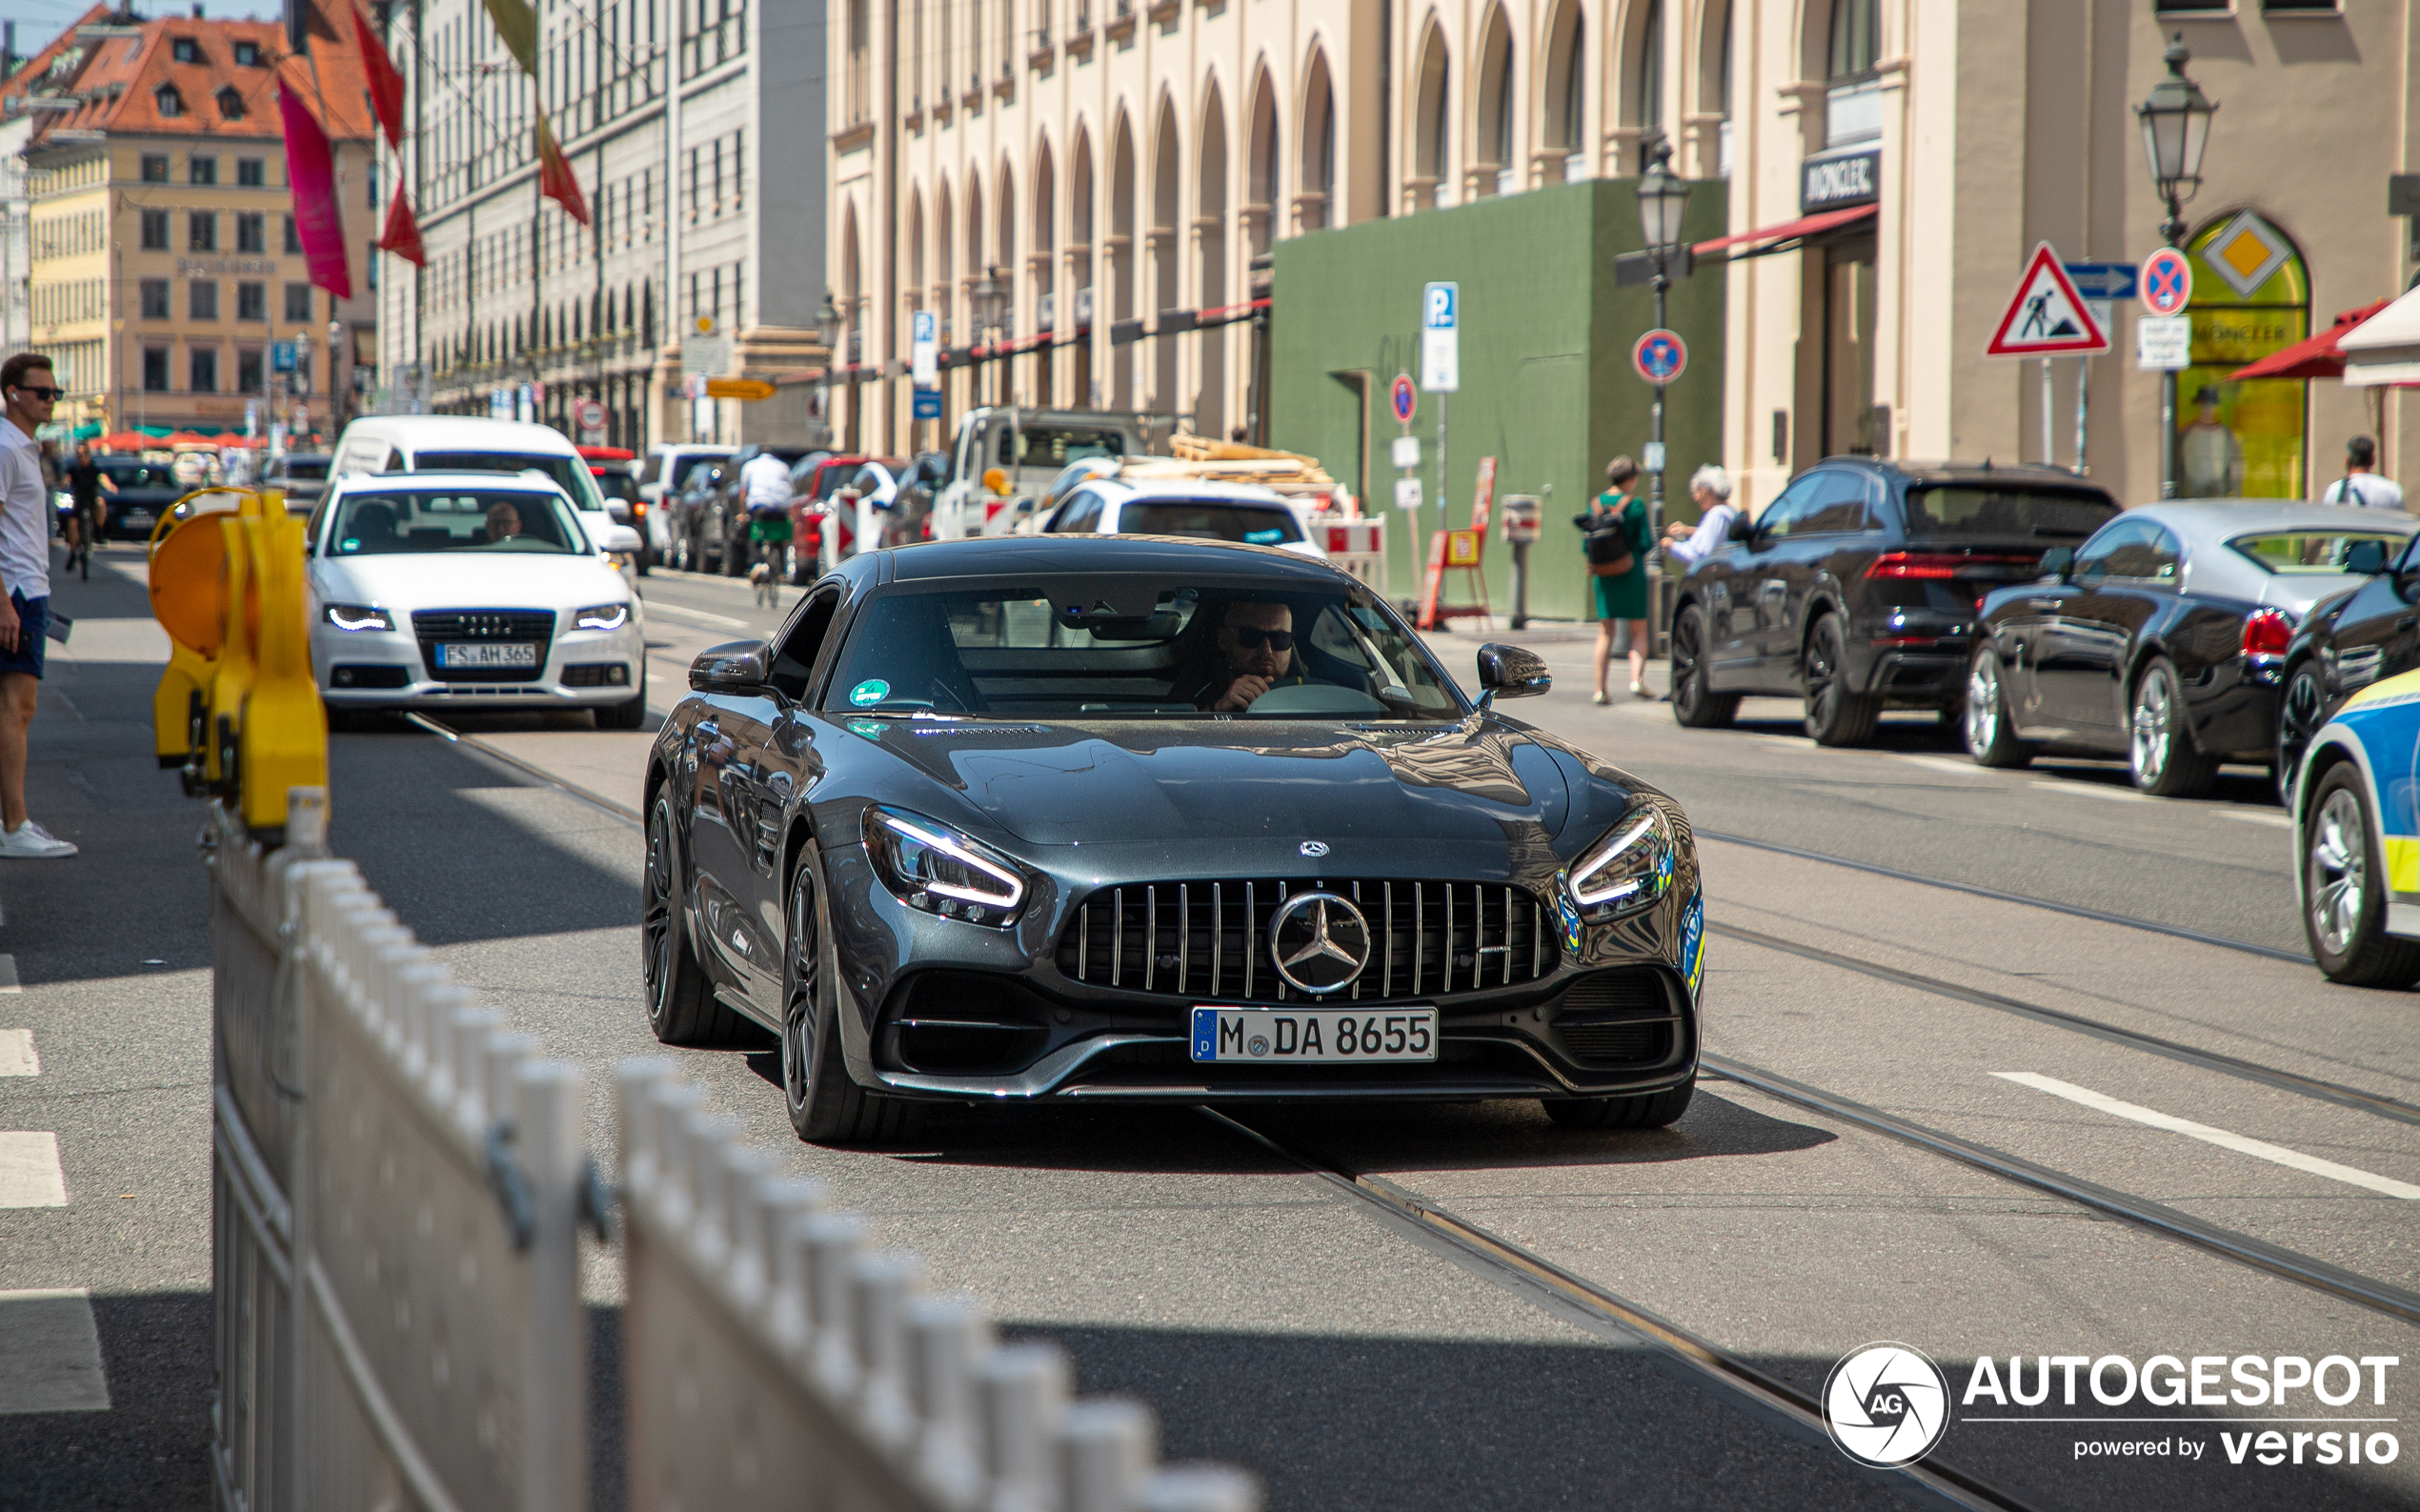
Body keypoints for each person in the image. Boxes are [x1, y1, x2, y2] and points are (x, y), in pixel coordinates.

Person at [0, 353, 75, 857]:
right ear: (13, 393)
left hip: (26, 590)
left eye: (55, 394)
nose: (50, 400)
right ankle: (15, 826)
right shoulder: (7, 448)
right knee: (18, 707)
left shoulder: (25, 448)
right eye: (42, 392)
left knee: (12, 706)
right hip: (16, 593)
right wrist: (4, 603)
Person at [1576, 455, 1654, 703]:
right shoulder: (1636, 505)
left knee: (1605, 631)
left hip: (1604, 576)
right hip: (1631, 573)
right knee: (1638, 629)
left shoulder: (1596, 504)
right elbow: (1646, 543)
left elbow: (1585, 546)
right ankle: (1636, 680)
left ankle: (1600, 689)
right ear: (1630, 479)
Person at [1187, 598, 1315, 712]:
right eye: (1252, 636)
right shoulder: (1196, 693)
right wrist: (1219, 708)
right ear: (1223, 639)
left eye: (1280, 638)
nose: (1267, 650)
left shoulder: (1314, 697)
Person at [1663, 465, 1739, 568]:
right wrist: (1688, 530)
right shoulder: (1729, 511)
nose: (1696, 497)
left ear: (1711, 492)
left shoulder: (1717, 515)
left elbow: (1700, 554)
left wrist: (1672, 545)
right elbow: (1713, 536)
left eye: (1699, 491)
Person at [2179, 386, 2243, 497]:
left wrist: (2235, 493)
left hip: (2219, 492)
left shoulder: (2226, 434)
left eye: (2211, 404)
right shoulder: (2186, 433)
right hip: (2192, 493)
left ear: (2216, 406)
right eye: (2205, 404)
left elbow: (2235, 464)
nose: (2208, 408)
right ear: (2199, 404)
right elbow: (2178, 464)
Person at [739, 448, 795, 570]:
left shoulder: (750, 465)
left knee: (753, 535)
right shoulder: (783, 466)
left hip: (759, 506)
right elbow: (790, 490)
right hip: (779, 507)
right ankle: (780, 565)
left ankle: (757, 563)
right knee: (779, 536)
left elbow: (743, 492)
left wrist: (743, 514)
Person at [2322, 435, 2405, 512]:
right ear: (2373, 460)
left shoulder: (2335, 490)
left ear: (2347, 460)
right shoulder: (2392, 489)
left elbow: (2327, 521)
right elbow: (2401, 521)